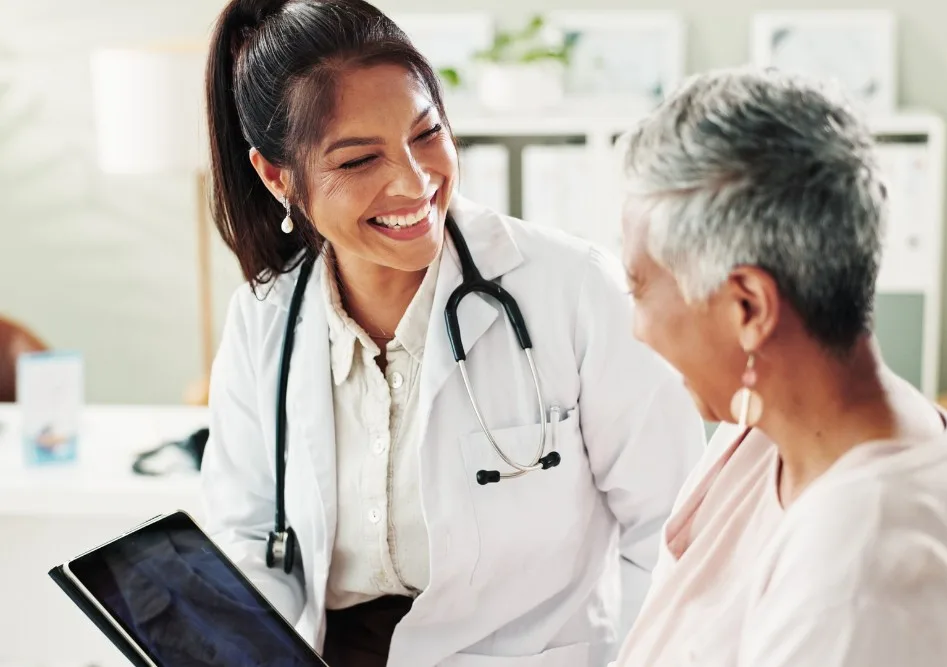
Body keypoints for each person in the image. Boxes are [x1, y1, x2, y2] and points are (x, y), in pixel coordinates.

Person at [198, 1, 705, 666]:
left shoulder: (574, 290)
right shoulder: (263, 319)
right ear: (276, 175)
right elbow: (247, 537)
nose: (413, 181)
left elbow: (678, 529)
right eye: (358, 161)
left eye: (426, 134)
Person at [611, 67, 947, 666]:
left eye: (638, 289)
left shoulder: (863, 576)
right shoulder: (768, 424)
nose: (636, 329)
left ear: (748, 307)